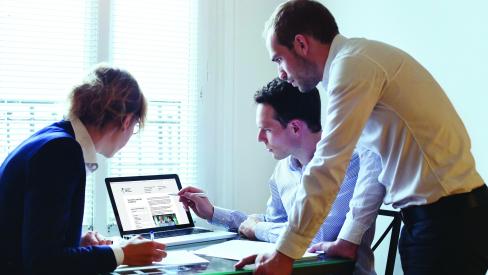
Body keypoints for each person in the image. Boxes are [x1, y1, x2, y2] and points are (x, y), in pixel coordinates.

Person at [235, 1, 488, 275]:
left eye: (279, 59)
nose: (281, 74)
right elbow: (372, 164)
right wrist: (348, 240)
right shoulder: (354, 63)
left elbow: (328, 165)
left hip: (447, 223)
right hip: (435, 221)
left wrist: (285, 253)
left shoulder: (352, 67)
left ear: (301, 44)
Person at [179, 78, 384, 275]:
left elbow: (313, 238)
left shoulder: (349, 163)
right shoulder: (283, 170)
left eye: (266, 130)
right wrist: (213, 213)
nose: (259, 138)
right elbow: (275, 223)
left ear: (295, 127)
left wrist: (258, 227)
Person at [0, 65, 166, 274]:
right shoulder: (62, 151)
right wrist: (121, 253)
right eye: (135, 127)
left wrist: (76, 242)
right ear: (126, 121)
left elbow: (31, 235)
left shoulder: (52, 138)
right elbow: (43, 263)